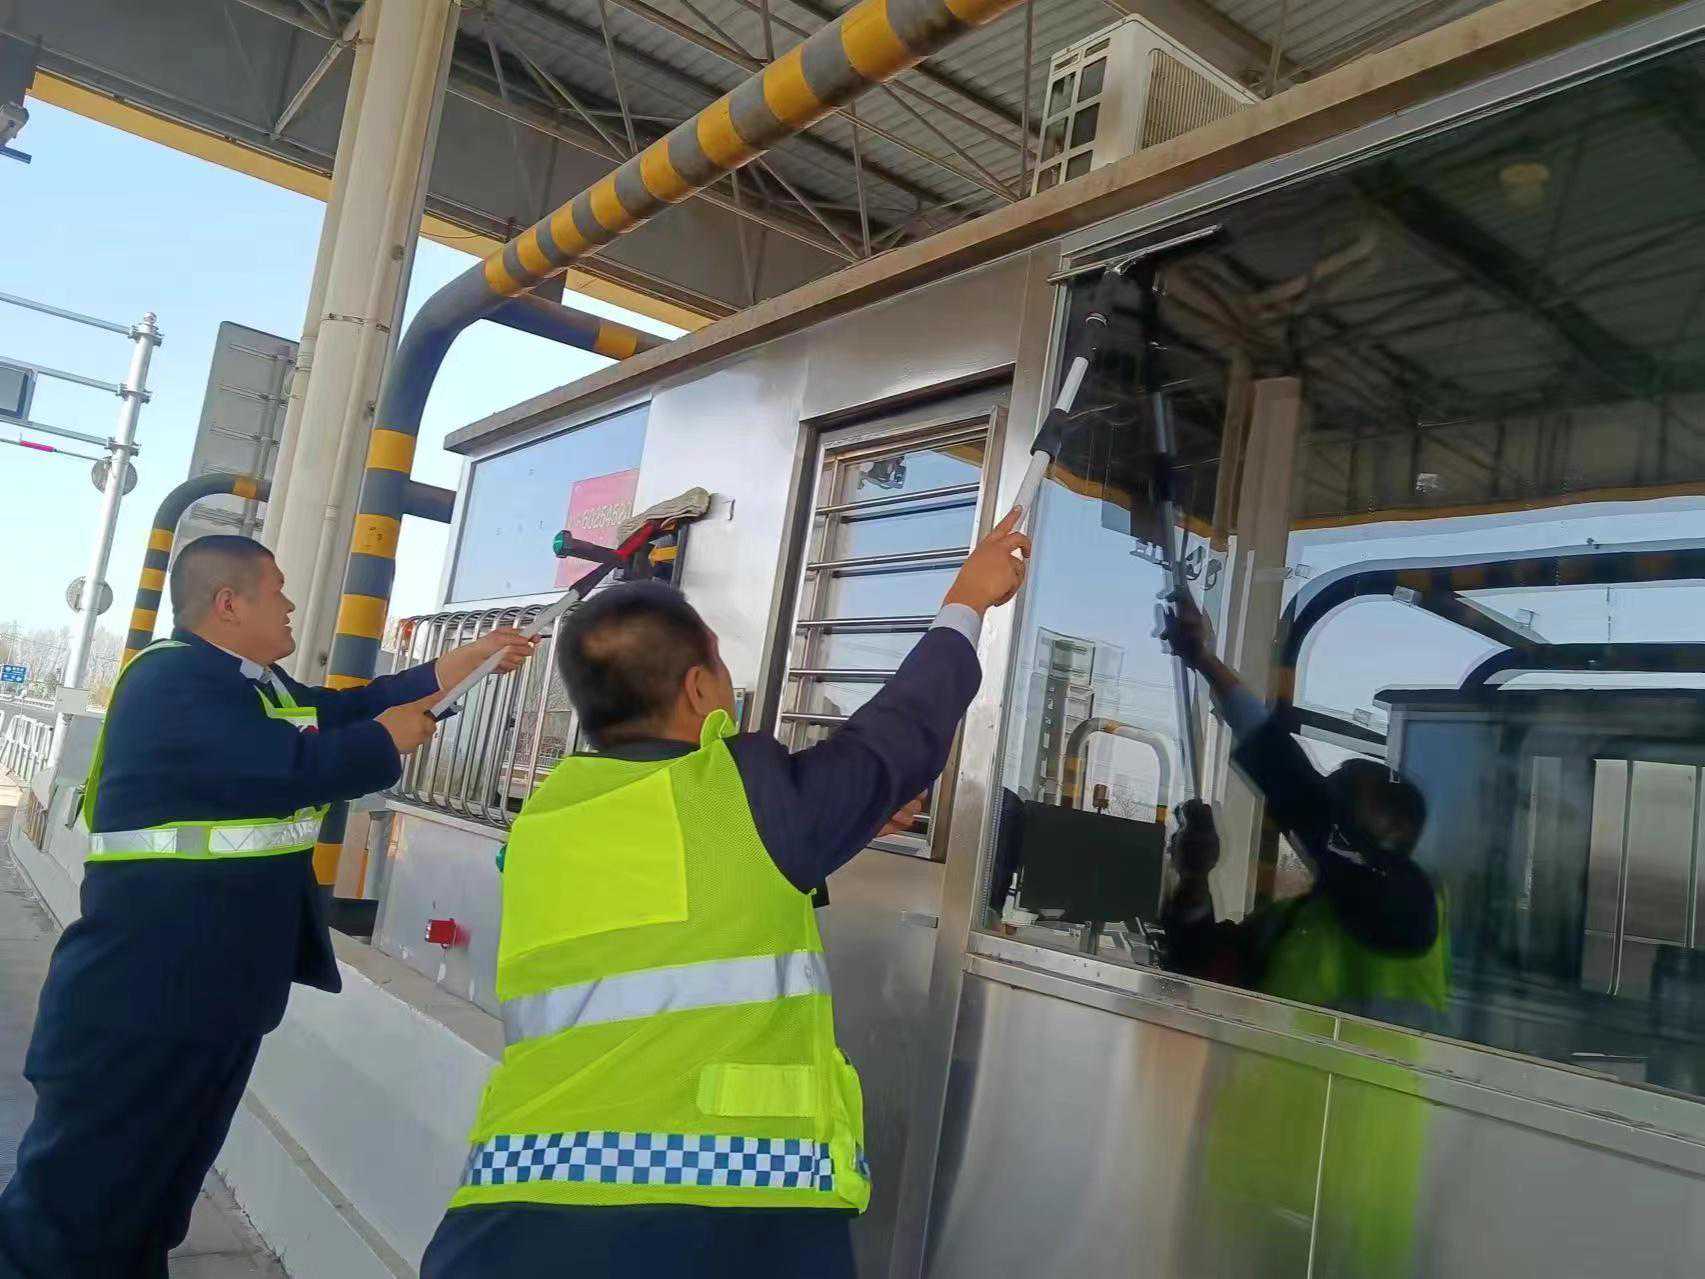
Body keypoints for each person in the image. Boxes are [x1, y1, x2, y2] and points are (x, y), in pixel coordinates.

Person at [419, 507, 1032, 1279]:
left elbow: (686, 904)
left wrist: (819, 826)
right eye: (719, 662)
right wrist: (966, 600)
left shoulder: (548, 820)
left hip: (510, 1218)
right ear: (698, 683)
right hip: (720, 1220)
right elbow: (896, 736)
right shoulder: (741, 791)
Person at [0, 535, 534, 1278]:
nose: (289, 605)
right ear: (228, 604)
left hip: (210, 993)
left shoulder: (255, 687)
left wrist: (460, 665)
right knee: (77, 1209)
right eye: (276, 591)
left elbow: (346, 711)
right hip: (143, 992)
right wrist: (383, 741)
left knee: (150, 1200)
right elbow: (290, 766)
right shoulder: (172, 680)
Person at [1157, 595, 1447, 1277]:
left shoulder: (1411, 909)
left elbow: (1308, 807)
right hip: (1248, 1190)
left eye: (1346, 796)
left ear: (1394, 833)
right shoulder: (1295, 921)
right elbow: (1198, 964)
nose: (1328, 800)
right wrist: (1194, 878)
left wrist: (1210, 666)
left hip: (1349, 1203)